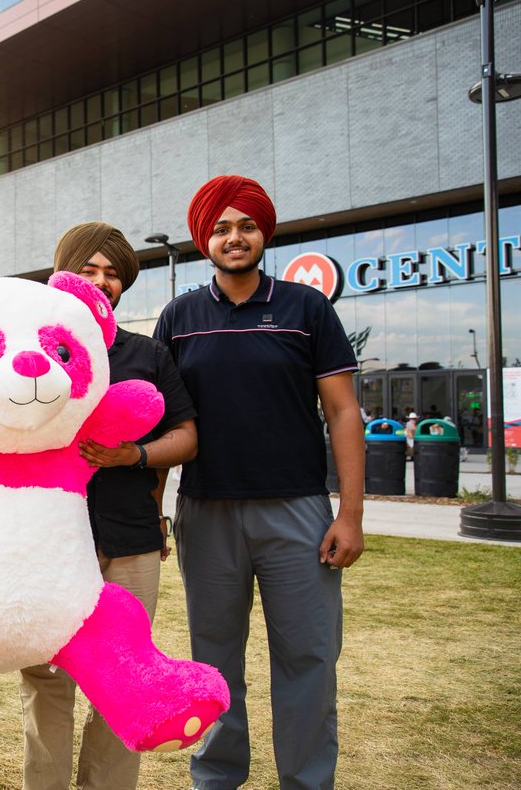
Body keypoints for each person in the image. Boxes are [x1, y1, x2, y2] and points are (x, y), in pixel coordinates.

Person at [153, 175, 365, 790]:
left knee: (308, 658)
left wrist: (349, 516)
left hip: (297, 512)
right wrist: (154, 511)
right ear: (204, 240)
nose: (234, 237)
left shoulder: (307, 308)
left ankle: (306, 780)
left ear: (263, 233)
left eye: (245, 225)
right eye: (221, 228)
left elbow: (344, 412)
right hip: (206, 512)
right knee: (213, 659)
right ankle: (216, 778)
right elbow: (164, 420)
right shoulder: (180, 316)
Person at [18, 223, 198, 790]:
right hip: (47, 542)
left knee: (123, 678)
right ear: (61, 275)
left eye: (112, 273)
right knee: (46, 678)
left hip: (131, 541)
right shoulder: (27, 350)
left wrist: (133, 454)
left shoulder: (147, 354)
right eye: (88, 270)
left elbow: (187, 436)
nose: (101, 282)